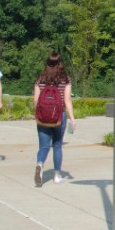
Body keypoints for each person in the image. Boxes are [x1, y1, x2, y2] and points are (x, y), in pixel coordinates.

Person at [33, 51, 77, 187]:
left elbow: (36, 100)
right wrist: (72, 119)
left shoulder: (41, 78)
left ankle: (40, 164)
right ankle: (57, 175)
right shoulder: (65, 79)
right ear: (60, 63)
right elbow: (68, 100)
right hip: (59, 116)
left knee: (43, 146)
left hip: (43, 117)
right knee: (57, 145)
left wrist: (40, 114)